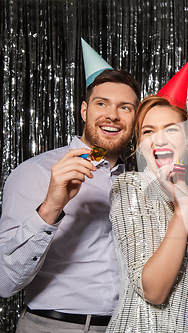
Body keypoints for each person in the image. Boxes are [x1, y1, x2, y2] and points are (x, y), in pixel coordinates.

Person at [0, 39, 140, 333]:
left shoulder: (138, 182)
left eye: (124, 107)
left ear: (135, 120)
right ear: (84, 111)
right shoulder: (36, 172)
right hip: (52, 326)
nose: (112, 115)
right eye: (102, 104)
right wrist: (51, 207)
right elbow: (4, 282)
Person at [105, 60, 188, 333]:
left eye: (171, 129)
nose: (159, 140)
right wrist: (181, 210)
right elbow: (153, 290)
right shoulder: (129, 187)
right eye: (148, 132)